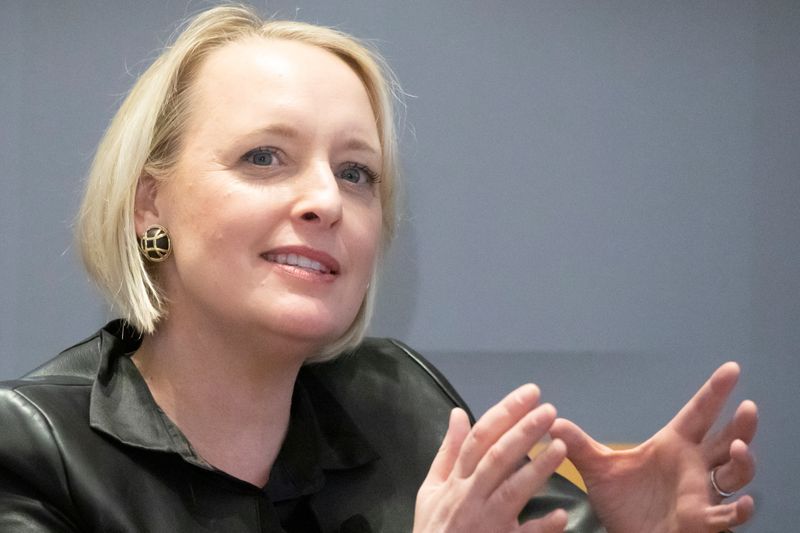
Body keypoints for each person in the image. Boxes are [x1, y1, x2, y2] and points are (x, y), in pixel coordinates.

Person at [0, 4, 757, 532]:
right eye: (266, 157)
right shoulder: (31, 448)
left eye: (356, 172)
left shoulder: (400, 400)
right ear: (149, 206)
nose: (326, 199)